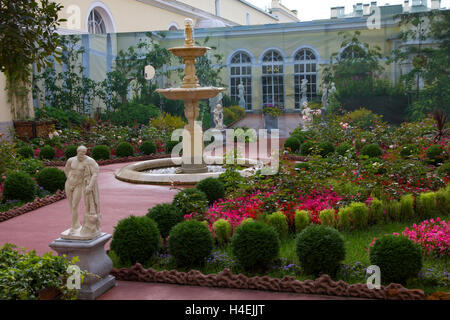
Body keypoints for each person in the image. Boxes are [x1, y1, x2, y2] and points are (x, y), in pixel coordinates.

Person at [64, 146, 101, 238]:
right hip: (69, 184)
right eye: (81, 152)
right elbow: (66, 168)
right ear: (77, 152)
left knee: (74, 205)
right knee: (71, 206)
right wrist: (69, 177)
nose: (83, 154)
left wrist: (90, 186)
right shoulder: (71, 160)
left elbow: (95, 172)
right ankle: (76, 225)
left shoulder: (89, 161)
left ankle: (74, 226)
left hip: (78, 185)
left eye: (84, 152)